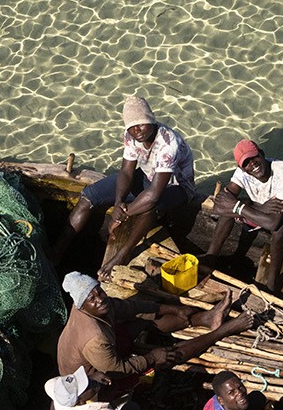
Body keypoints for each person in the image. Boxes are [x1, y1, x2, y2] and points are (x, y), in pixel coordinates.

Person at [48, 94, 198, 277]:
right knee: (88, 195)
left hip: (176, 187)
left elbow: (154, 195)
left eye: (141, 124)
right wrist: (119, 202)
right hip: (147, 177)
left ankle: (122, 255)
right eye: (132, 127)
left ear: (151, 119)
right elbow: (126, 172)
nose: (137, 130)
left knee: (150, 208)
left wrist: (121, 216)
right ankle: (57, 250)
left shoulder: (168, 144)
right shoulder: (130, 136)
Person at [56, 271, 256, 399]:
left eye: (99, 291)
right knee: (165, 357)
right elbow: (117, 369)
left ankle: (206, 319)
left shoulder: (96, 306)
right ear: (82, 304)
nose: (100, 299)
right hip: (101, 380)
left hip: (107, 351)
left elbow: (131, 307)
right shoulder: (94, 338)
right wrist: (152, 357)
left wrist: (171, 309)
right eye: (92, 298)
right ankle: (223, 330)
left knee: (143, 319)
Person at [205, 137, 283, 290]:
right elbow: (218, 207)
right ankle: (211, 256)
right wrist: (247, 207)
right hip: (262, 213)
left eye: (254, 157)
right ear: (242, 168)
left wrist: (239, 207)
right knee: (230, 210)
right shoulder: (241, 174)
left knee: (280, 227)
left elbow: (273, 223)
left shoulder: (282, 170)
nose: (252, 164)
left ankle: (272, 281)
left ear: (262, 154)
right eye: (246, 163)